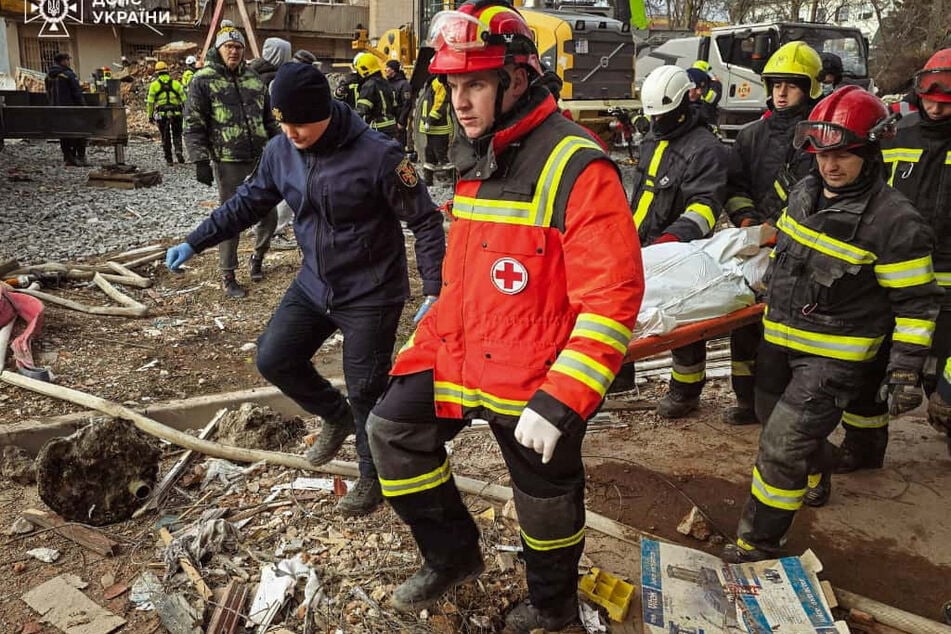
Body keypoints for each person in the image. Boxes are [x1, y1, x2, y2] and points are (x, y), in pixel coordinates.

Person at [365, 3, 644, 631]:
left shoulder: (578, 163)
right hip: (461, 353)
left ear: (517, 79)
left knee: (546, 506)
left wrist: (564, 398)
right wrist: (429, 331)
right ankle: (453, 556)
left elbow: (612, 298)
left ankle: (553, 609)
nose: (460, 103)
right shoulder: (480, 151)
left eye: (475, 85)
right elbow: (473, 270)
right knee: (391, 434)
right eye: (452, 85)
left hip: (534, 375)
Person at [166, 62, 446, 516]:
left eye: (301, 123)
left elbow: (425, 220)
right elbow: (246, 202)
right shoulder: (281, 151)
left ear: (327, 113)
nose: (292, 132)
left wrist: (434, 286)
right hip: (315, 282)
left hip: (370, 291)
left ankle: (372, 478)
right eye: (284, 122)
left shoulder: (380, 155)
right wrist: (195, 240)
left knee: (366, 389)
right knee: (274, 357)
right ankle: (334, 416)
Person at [723, 86, 941, 563]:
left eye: (843, 155)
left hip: (834, 357)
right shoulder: (803, 194)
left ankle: (757, 546)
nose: (830, 165)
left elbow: (917, 304)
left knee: (780, 447)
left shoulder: (895, 222)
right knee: (774, 428)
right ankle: (813, 468)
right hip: (778, 342)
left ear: (870, 151)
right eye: (822, 154)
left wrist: (904, 371)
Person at [839, 48, 951, 469]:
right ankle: (863, 448)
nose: (937, 108)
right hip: (886, 273)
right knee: (869, 366)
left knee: (941, 374)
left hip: (946, 279)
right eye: (931, 98)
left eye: (947, 102)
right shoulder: (897, 133)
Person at [722, 42, 823, 426]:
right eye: (776, 84)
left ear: (810, 88)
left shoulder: (819, 140)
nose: (781, 92)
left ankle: (783, 405)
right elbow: (734, 186)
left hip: (801, 252)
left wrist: (787, 234)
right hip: (755, 245)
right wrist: (747, 223)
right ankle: (746, 401)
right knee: (744, 329)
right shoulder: (751, 136)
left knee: (786, 332)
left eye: (791, 85)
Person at [627, 64, 733, 419]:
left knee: (684, 324)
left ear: (686, 102)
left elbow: (705, 207)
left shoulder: (706, 148)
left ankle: (685, 392)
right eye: (653, 117)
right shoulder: (654, 138)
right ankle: (615, 380)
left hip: (677, 251)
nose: (657, 124)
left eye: (664, 116)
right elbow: (641, 193)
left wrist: (672, 240)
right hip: (636, 242)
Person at [184, 25, 280, 299]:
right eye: (229, 47)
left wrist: (280, 145)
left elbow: (269, 119)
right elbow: (192, 123)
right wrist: (200, 159)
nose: (234, 51)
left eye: (238, 47)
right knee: (231, 219)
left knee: (269, 214)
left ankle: (258, 257)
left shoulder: (254, 79)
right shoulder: (203, 80)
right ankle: (228, 273)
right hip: (228, 160)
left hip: (260, 157)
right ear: (219, 49)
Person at [45, 52, 88, 167]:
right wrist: (84, 106)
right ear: (63, 61)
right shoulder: (68, 74)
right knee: (80, 132)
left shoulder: (49, 76)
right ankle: (80, 157)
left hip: (57, 109)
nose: (69, 62)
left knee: (64, 133)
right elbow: (76, 92)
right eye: (68, 60)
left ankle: (68, 157)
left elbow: (48, 92)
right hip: (71, 109)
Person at [146, 61, 187, 166]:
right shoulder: (176, 84)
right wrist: (186, 113)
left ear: (157, 72)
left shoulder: (154, 85)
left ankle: (169, 159)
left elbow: (150, 103)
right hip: (177, 113)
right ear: (167, 71)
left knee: (165, 136)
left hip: (162, 115)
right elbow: (185, 100)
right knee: (177, 134)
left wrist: (150, 116)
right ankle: (178, 151)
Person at [351, 52, 399, 139]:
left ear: (364, 70)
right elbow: (395, 106)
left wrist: (347, 119)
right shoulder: (386, 82)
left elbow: (362, 110)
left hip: (377, 129)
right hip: (392, 127)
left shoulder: (369, 85)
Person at [417, 75, 452, 185]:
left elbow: (440, 104)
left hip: (439, 127)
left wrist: (430, 120)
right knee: (430, 153)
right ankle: (428, 180)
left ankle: (453, 179)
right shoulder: (434, 82)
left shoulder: (440, 83)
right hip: (433, 128)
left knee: (441, 154)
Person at [384, 59, 412, 148]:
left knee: (399, 145)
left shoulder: (404, 84)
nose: (385, 69)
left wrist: (401, 121)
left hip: (398, 121)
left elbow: (407, 104)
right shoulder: (386, 83)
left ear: (393, 70)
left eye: (387, 67)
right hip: (389, 121)